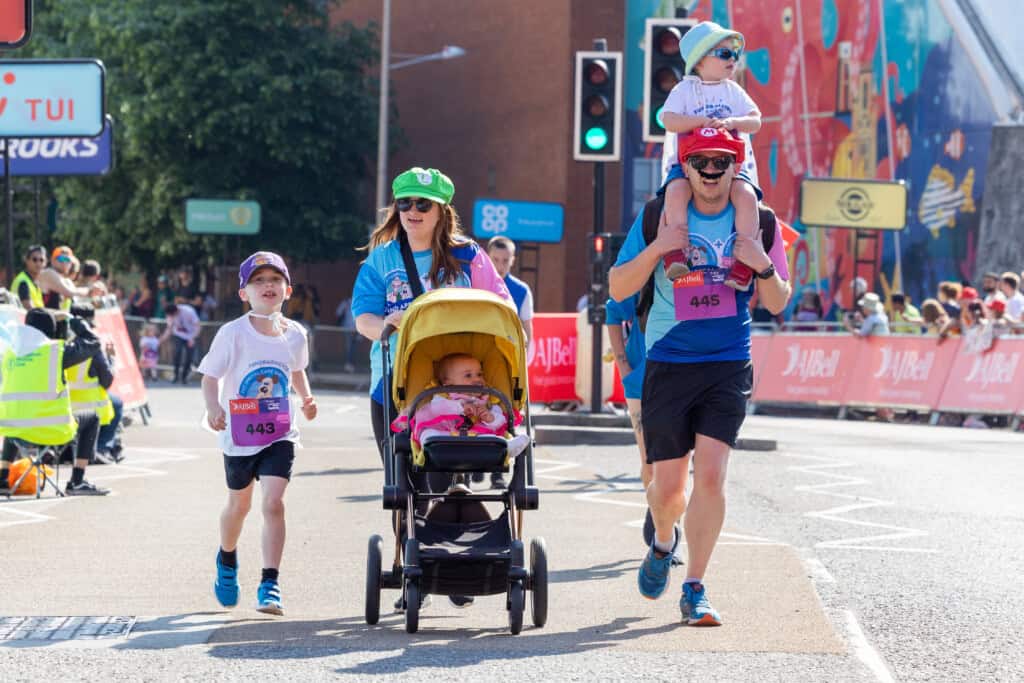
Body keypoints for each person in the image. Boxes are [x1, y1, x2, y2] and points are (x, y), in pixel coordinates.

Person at [608, 127, 791, 626]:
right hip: (669, 362)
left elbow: (778, 302)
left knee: (711, 476)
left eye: (722, 161)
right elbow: (619, 285)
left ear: (737, 167)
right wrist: (657, 249)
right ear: (684, 167)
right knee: (668, 491)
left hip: (728, 362)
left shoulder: (761, 223)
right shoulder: (658, 215)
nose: (712, 171)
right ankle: (664, 542)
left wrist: (764, 270)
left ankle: (696, 587)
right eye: (701, 161)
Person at [352, 167, 512, 463]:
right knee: (400, 473)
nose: (413, 210)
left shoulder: (468, 256)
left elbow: (501, 307)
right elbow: (364, 319)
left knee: (449, 467)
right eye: (405, 202)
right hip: (395, 378)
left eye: (423, 203)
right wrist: (386, 325)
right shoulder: (382, 258)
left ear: (441, 211)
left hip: (461, 376)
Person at [198, 251, 317, 616]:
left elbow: (295, 371)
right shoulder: (232, 334)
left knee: (273, 502)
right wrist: (214, 408)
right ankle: (227, 558)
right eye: (259, 281)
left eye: (275, 280)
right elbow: (210, 377)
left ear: (287, 289)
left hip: (280, 432)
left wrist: (306, 397)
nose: (268, 286)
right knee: (240, 504)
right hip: (240, 433)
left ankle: (270, 583)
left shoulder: (296, 335)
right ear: (243, 293)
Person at [659, 21, 762, 291]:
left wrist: (733, 121)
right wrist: (698, 121)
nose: (733, 60)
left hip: (732, 167)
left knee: (747, 197)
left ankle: (743, 261)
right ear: (700, 61)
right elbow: (668, 120)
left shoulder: (733, 91)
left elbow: (756, 121)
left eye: (735, 55)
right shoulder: (684, 91)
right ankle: (675, 253)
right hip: (688, 166)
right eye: (725, 54)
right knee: (676, 192)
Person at [0, 308, 110, 496]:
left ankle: (2, 479)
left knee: (18, 416)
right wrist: (76, 323)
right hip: (51, 431)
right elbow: (92, 343)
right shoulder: (55, 351)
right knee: (92, 417)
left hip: (13, 431)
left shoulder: (9, 353)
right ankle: (77, 481)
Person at [392, 353, 530, 456]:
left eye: (479, 374)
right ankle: (428, 446)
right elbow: (434, 410)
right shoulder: (443, 396)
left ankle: (506, 448)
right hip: (443, 438)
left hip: (475, 439)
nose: (477, 379)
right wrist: (459, 407)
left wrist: (491, 418)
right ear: (448, 384)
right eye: (468, 376)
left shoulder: (487, 399)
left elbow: (501, 420)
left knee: (493, 438)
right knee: (428, 433)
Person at [64, 304, 123, 465]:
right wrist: (112, 358)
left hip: (61, 405)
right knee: (116, 404)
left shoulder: (58, 342)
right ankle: (102, 448)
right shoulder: (93, 346)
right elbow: (107, 381)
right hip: (89, 408)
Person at [486, 236, 535, 342]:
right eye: (495, 259)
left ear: (512, 260)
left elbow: (527, 327)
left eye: (505, 260)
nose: (500, 266)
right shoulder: (476, 285)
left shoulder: (522, 290)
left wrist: (525, 356)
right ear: (487, 258)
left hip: (510, 351)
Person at [38, 246, 95, 313]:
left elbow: (76, 297)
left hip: (58, 318)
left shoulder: (66, 280)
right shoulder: (48, 273)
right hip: (44, 319)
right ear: (53, 261)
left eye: (68, 260)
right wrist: (89, 290)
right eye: (62, 259)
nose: (65, 263)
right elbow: (70, 293)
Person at [160, 300, 201, 384]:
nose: (172, 317)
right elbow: (169, 329)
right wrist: (161, 339)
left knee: (189, 356)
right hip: (178, 335)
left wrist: (192, 338)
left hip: (191, 335)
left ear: (176, 311)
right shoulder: (170, 315)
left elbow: (198, 326)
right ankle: (175, 375)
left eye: (173, 315)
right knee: (177, 352)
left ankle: (184, 377)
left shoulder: (188, 311)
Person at [10, 245, 47, 310]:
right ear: (27, 261)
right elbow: (29, 309)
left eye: (41, 260)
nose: (38, 263)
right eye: (34, 260)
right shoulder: (23, 282)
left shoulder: (35, 282)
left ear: (45, 263)